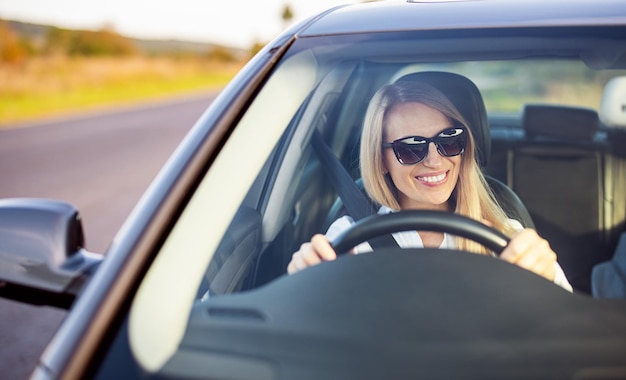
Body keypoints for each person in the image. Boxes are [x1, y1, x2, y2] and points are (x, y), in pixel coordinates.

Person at [287, 78, 573, 292]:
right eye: (411, 148)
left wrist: (547, 276)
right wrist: (303, 278)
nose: (435, 161)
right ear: (381, 160)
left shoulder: (506, 235)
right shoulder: (350, 240)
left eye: (449, 140)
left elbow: (564, 326)